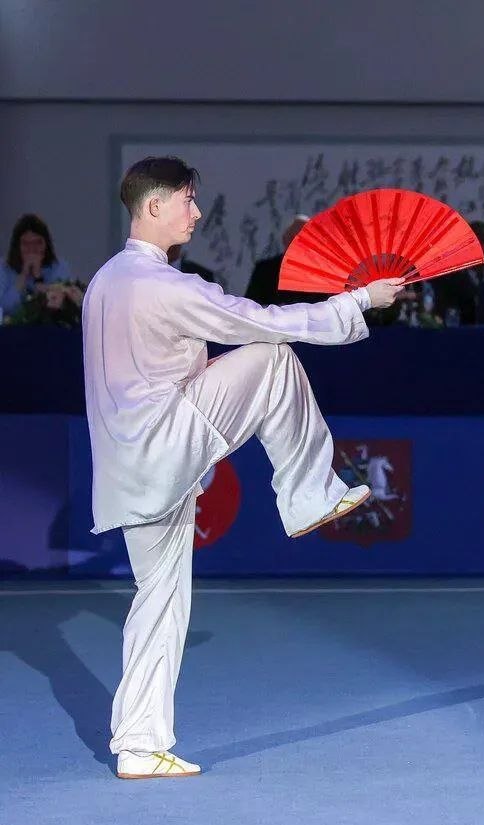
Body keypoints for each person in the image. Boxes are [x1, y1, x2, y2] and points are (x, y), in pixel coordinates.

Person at [83, 156, 404, 780]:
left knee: (159, 601)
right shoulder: (163, 284)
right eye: (187, 200)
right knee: (273, 358)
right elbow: (262, 321)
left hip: (127, 467)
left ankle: (138, 745)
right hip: (165, 443)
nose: (197, 212)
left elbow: (142, 372)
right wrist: (360, 301)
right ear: (154, 206)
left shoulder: (103, 282)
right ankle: (309, 493)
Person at [1, 214, 73, 316]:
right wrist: (24, 275)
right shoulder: (4, 269)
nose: (32, 249)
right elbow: (5, 308)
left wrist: (38, 276)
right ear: (17, 246)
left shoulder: (60, 267)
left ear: (46, 244)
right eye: (26, 243)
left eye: (37, 243)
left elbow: (61, 308)